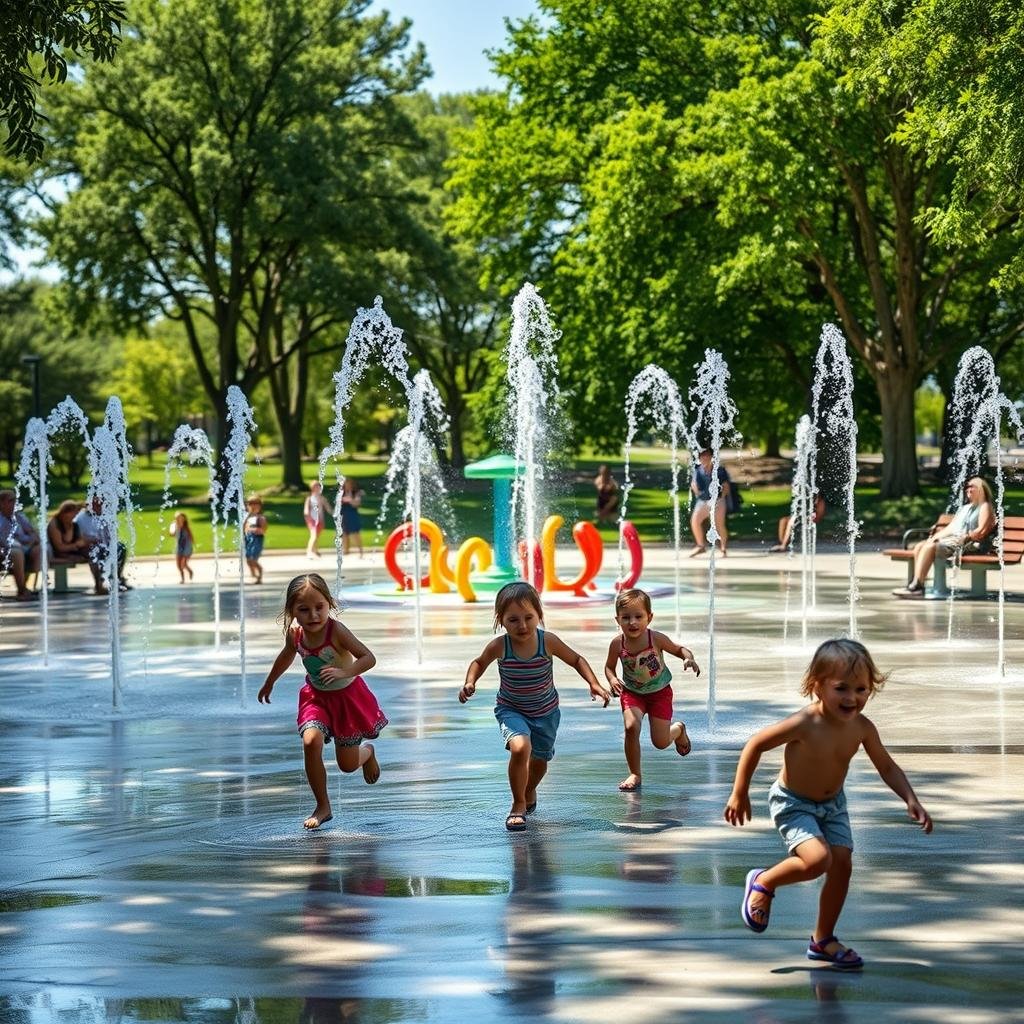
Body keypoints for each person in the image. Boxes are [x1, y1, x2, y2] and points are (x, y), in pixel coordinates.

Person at [724, 638, 932, 970]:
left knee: (843, 865)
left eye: (861, 689)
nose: (852, 698)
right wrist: (740, 792)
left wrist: (911, 798)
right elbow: (756, 744)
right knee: (819, 860)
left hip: (834, 804)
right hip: (793, 803)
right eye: (842, 688)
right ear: (816, 686)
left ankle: (822, 939)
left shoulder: (862, 728)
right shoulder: (805, 723)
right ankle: (764, 881)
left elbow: (887, 767)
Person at [458, 581, 612, 831]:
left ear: (539, 615)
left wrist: (593, 683)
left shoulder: (547, 641)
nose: (522, 625)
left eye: (529, 617)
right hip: (511, 709)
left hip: (546, 712)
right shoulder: (500, 645)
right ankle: (518, 803)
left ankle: (528, 790)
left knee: (540, 760)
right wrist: (469, 682)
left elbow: (576, 659)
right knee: (521, 747)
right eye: (513, 620)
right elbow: (479, 662)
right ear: (501, 620)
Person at [258, 573, 387, 830]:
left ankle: (368, 753)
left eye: (320, 607)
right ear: (292, 610)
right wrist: (270, 680)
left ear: (329, 603)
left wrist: (344, 671)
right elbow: (287, 655)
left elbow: (368, 657)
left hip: (347, 699)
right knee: (310, 740)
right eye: (304, 610)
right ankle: (323, 805)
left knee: (347, 765)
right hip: (316, 697)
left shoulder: (336, 631)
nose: (313, 615)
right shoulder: (296, 635)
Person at [604, 588, 701, 792]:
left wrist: (688, 658)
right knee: (631, 728)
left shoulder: (655, 638)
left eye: (638, 616)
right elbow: (609, 666)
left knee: (660, 742)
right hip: (633, 694)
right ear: (617, 619)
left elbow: (679, 649)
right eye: (626, 618)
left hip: (660, 694)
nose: (632, 622)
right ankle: (635, 773)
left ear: (649, 617)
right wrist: (612, 679)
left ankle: (679, 729)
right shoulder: (617, 644)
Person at [892, 476, 995, 597]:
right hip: (956, 542)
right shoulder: (965, 508)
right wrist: (935, 537)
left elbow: (981, 530)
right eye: (967, 487)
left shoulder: (985, 506)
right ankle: (916, 584)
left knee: (929, 547)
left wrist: (967, 537)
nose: (967, 489)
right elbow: (951, 528)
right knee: (921, 545)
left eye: (971, 486)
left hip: (971, 545)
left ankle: (917, 586)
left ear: (981, 489)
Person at [74, 495, 132, 594]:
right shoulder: (80, 518)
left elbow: (112, 534)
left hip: (104, 545)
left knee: (120, 548)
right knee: (94, 553)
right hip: (88, 546)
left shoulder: (106, 516)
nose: (98, 506)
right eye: (95, 504)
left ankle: (116, 579)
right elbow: (78, 536)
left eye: (100, 504)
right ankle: (98, 585)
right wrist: (92, 540)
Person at [689, 448, 733, 556]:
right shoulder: (698, 470)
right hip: (703, 501)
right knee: (695, 521)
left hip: (717, 500)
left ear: (711, 457)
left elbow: (726, 486)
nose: (704, 458)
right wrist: (697, 492)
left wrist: (721, 498)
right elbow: (693, 483)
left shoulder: (719, 470)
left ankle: (723, 548)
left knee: (719, 525)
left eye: (707, 456)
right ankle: (700, 546)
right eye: (702, 456)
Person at [0, 489, 41, 601]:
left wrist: (30, 541)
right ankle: (22, 590)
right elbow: (3, 541)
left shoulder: (19, 516)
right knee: (16, 552)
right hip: (6, 550)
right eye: (11, 500)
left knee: (39, 549)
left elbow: (33, 533)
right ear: (1, 503)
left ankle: (32, 587)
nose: (15, 503)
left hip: (23, 546)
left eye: (15, 500)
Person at [303, 480, 334, 559]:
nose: (318, 488)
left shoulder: (322, 498)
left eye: (318, 486)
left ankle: (315, 550)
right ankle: (309, 552)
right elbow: (306, 508)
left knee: (316, 536)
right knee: (314, 535)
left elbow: (328, 508)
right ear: (312, 488)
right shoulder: (309, 498)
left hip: (320, 520)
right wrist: (306, 513)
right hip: (312, 520)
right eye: (316, 486)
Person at [243, 494, 267, 584]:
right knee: (248, 559)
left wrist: (254, 529)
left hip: (256, 540)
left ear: (259, 506)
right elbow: (243, 528)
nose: (252, 506)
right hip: (248, 540)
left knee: (253, 559)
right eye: (250, 503)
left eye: (255, 503)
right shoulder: (247, 517)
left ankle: (259, 574)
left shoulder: (260, 518)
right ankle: (253, 575)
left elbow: (263, 530)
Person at [339, 478, 364, 557]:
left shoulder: (356, 493)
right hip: (344, 514)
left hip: (352, 515)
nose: (348, 486)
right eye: (346, 484)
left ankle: (361, 551)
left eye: (349, 484)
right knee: (344, 533)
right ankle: (346, 550)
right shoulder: (341, 493)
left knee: (355, 533)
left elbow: (357, 504)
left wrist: (349, 500)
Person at [169, 512, 194, 583]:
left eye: (180, 518)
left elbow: (191, 537)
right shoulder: (174, 525)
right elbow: (171, 534)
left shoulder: (186, 527)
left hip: (187, 547)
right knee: (178, 565)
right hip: (179, 547)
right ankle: (182, 578)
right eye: (177, 518)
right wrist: (174, 528)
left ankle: (189, 572)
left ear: (183, 519)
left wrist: (191, 547)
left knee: (183, 564)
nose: (178, 519)